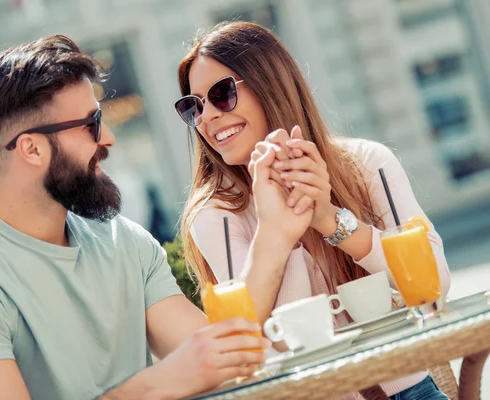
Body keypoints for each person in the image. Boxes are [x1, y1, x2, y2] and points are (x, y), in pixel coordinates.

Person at [0, 35, 280, 400]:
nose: (109, 138)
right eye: (92, 124)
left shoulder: (123, 242)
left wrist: (275, 227)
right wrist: (154, 387)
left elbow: (225, 362)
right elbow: (181, 373)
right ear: (32, 149)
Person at [175, 21, 451, 399]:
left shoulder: (368, 165)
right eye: (194, 106)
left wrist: (331, 221)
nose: (206, 118)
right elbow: (255, 342)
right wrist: (277, 231)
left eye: (221, 94)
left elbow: (435, 287)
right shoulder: (215, 215)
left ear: (270, 85)